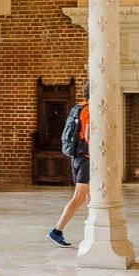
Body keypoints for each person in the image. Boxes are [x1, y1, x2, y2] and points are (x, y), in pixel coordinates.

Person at [51, 86, 90, 247]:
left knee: (92, 197)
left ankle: (94, 231)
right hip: (85, 158)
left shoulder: (79, 106)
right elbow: (88, 136)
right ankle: (57, 230)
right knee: (80, 196)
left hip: (79, 157)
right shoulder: (89, 110)